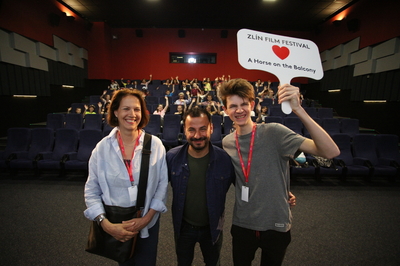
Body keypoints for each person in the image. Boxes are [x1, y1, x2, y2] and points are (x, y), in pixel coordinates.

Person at [219, 79, 340, 266]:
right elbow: (242, 176)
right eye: (233, 106)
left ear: (252, 104)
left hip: (276, 222)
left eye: (244, 104)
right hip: (243, 223)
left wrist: (299, 110)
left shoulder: (274, 132)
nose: (239, 110)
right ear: (226, 110)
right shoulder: (227, 142)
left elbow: (331, 152)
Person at [84, 89, 168, 266]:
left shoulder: (155, 144)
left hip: (147, 222)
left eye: (137, 109)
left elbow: (162, 185)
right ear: (115, 111)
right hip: (116, 224)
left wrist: (146, 219)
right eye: (126, 109)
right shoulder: (102, 149)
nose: (132, 114)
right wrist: (106, 225)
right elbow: (91, 191)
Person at [166, 106, 236, 266]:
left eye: (203, 129)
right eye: (192, 130)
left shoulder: (225, 160)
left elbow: (246, 187)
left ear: (212, 128)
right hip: (183, 228)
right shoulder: (172, 158)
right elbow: (154, 188)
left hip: (212, 228)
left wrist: (280, 193)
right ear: (184, 130)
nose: (197, 135)